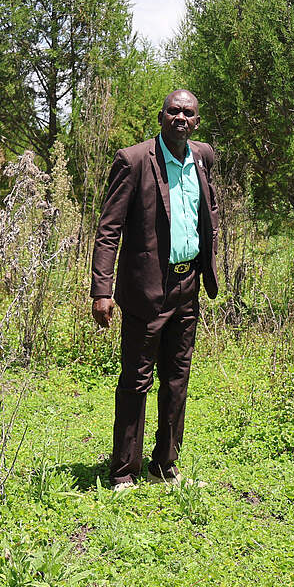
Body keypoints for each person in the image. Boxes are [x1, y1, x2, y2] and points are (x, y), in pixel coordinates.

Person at [90, 89, 219, 491]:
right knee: (136, 380)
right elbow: (109, 229)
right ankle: (123, 472)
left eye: (188, 113)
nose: (181, 118)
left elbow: (207, 212)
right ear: (161, 116)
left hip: (188, 285)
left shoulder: (203, 156)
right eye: (173, 111)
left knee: (177, 378)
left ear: (197, 121)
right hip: (147, 289)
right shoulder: (133, 161)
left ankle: (164, 465)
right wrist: (101, 290)